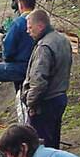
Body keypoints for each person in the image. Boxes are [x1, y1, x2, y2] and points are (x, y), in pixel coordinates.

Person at [22, 10, 72, 149]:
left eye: (30, 27)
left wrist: (30, 103)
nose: (27, 31)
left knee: (41, 146)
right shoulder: (62, 40)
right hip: (60, 97)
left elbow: (39, 81)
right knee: (53, 141)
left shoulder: (44, 47)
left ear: (40, 26)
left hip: (45, 103)